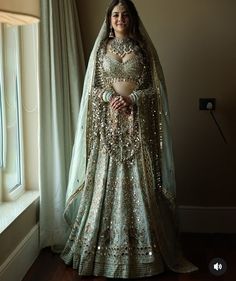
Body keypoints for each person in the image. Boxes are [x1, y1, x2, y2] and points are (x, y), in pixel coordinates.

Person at [60, 0, 199, 279]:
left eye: (124, 14)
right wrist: (111, 97)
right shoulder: (101, 50)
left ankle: (145, 253)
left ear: (131, 19)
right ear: (109, 20)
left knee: (140, 183)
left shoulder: (143, 50)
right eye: (115, 14)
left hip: (137, 126)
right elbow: (93, 90)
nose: (120, 18)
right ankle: (100, 249)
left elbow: (154, 90)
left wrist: (132, 98)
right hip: (108, 128)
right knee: (103, 183)